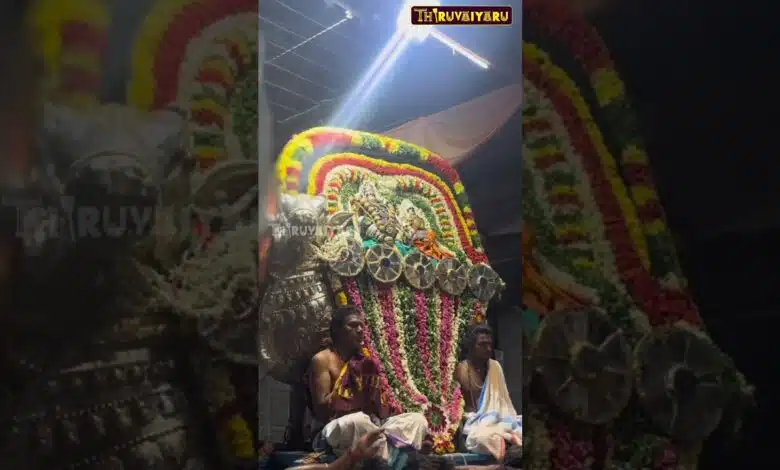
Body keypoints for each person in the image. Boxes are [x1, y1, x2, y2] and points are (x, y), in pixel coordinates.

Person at [308, 306, 429, 461]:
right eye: (353, 325)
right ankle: (396, 458)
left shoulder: (366, 362)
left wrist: (376, 397)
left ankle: (387, 455)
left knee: (417, 420)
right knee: (358, 421)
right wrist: (349, 383)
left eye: (361, 326)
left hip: (370, 425)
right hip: (335, 428)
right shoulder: (322, 360)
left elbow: (380, 411)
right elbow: (321, 411)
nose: (360, 330)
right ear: (337, 330)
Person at [454, 324, 522, 464]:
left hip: (497, 418)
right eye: (482, 345)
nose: (488, 349)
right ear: (471, 346)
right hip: (473, 422)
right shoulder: (463, 369)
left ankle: (508, 444)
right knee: (482, 437)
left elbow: (504, 402)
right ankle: (507, 447)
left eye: (490, 344)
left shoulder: (495, 367)